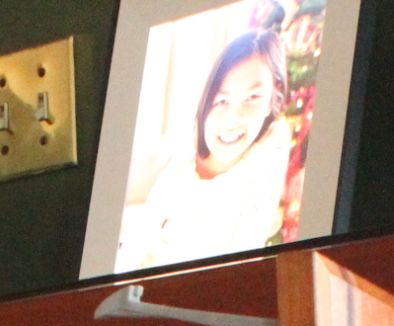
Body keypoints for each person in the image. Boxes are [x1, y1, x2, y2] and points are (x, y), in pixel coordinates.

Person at [117, 18, 297, 272]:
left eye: (253, 97)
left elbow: (243, 250)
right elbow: (132, 249)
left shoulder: (272, 144)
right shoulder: (177, 161)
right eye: (222, 101)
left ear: (272, 99)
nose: (234, 118)